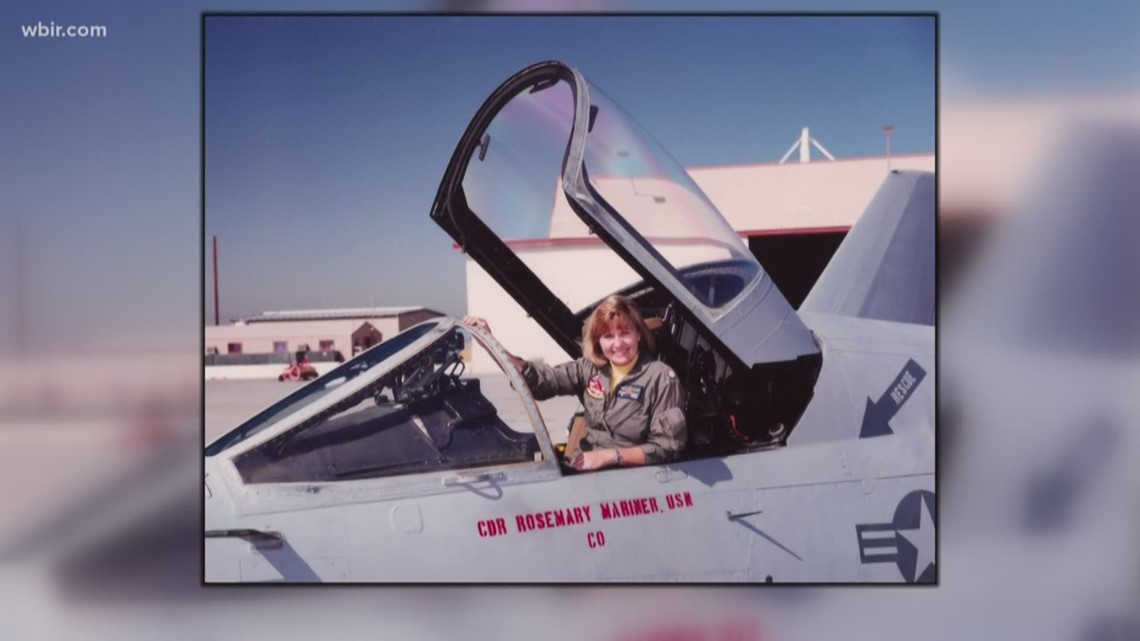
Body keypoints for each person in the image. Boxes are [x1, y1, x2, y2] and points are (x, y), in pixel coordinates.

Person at [464, 295, 686, 471]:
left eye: (624, 333)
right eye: (608, 336)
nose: (617, 344)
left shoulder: (661, 378)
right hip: (587, 470)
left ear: (638, 334)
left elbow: (666, 449)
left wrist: (609, 457)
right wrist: (490, 342)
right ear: (599, 341)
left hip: (632, 481)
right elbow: (540, 382)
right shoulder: (589, 369)